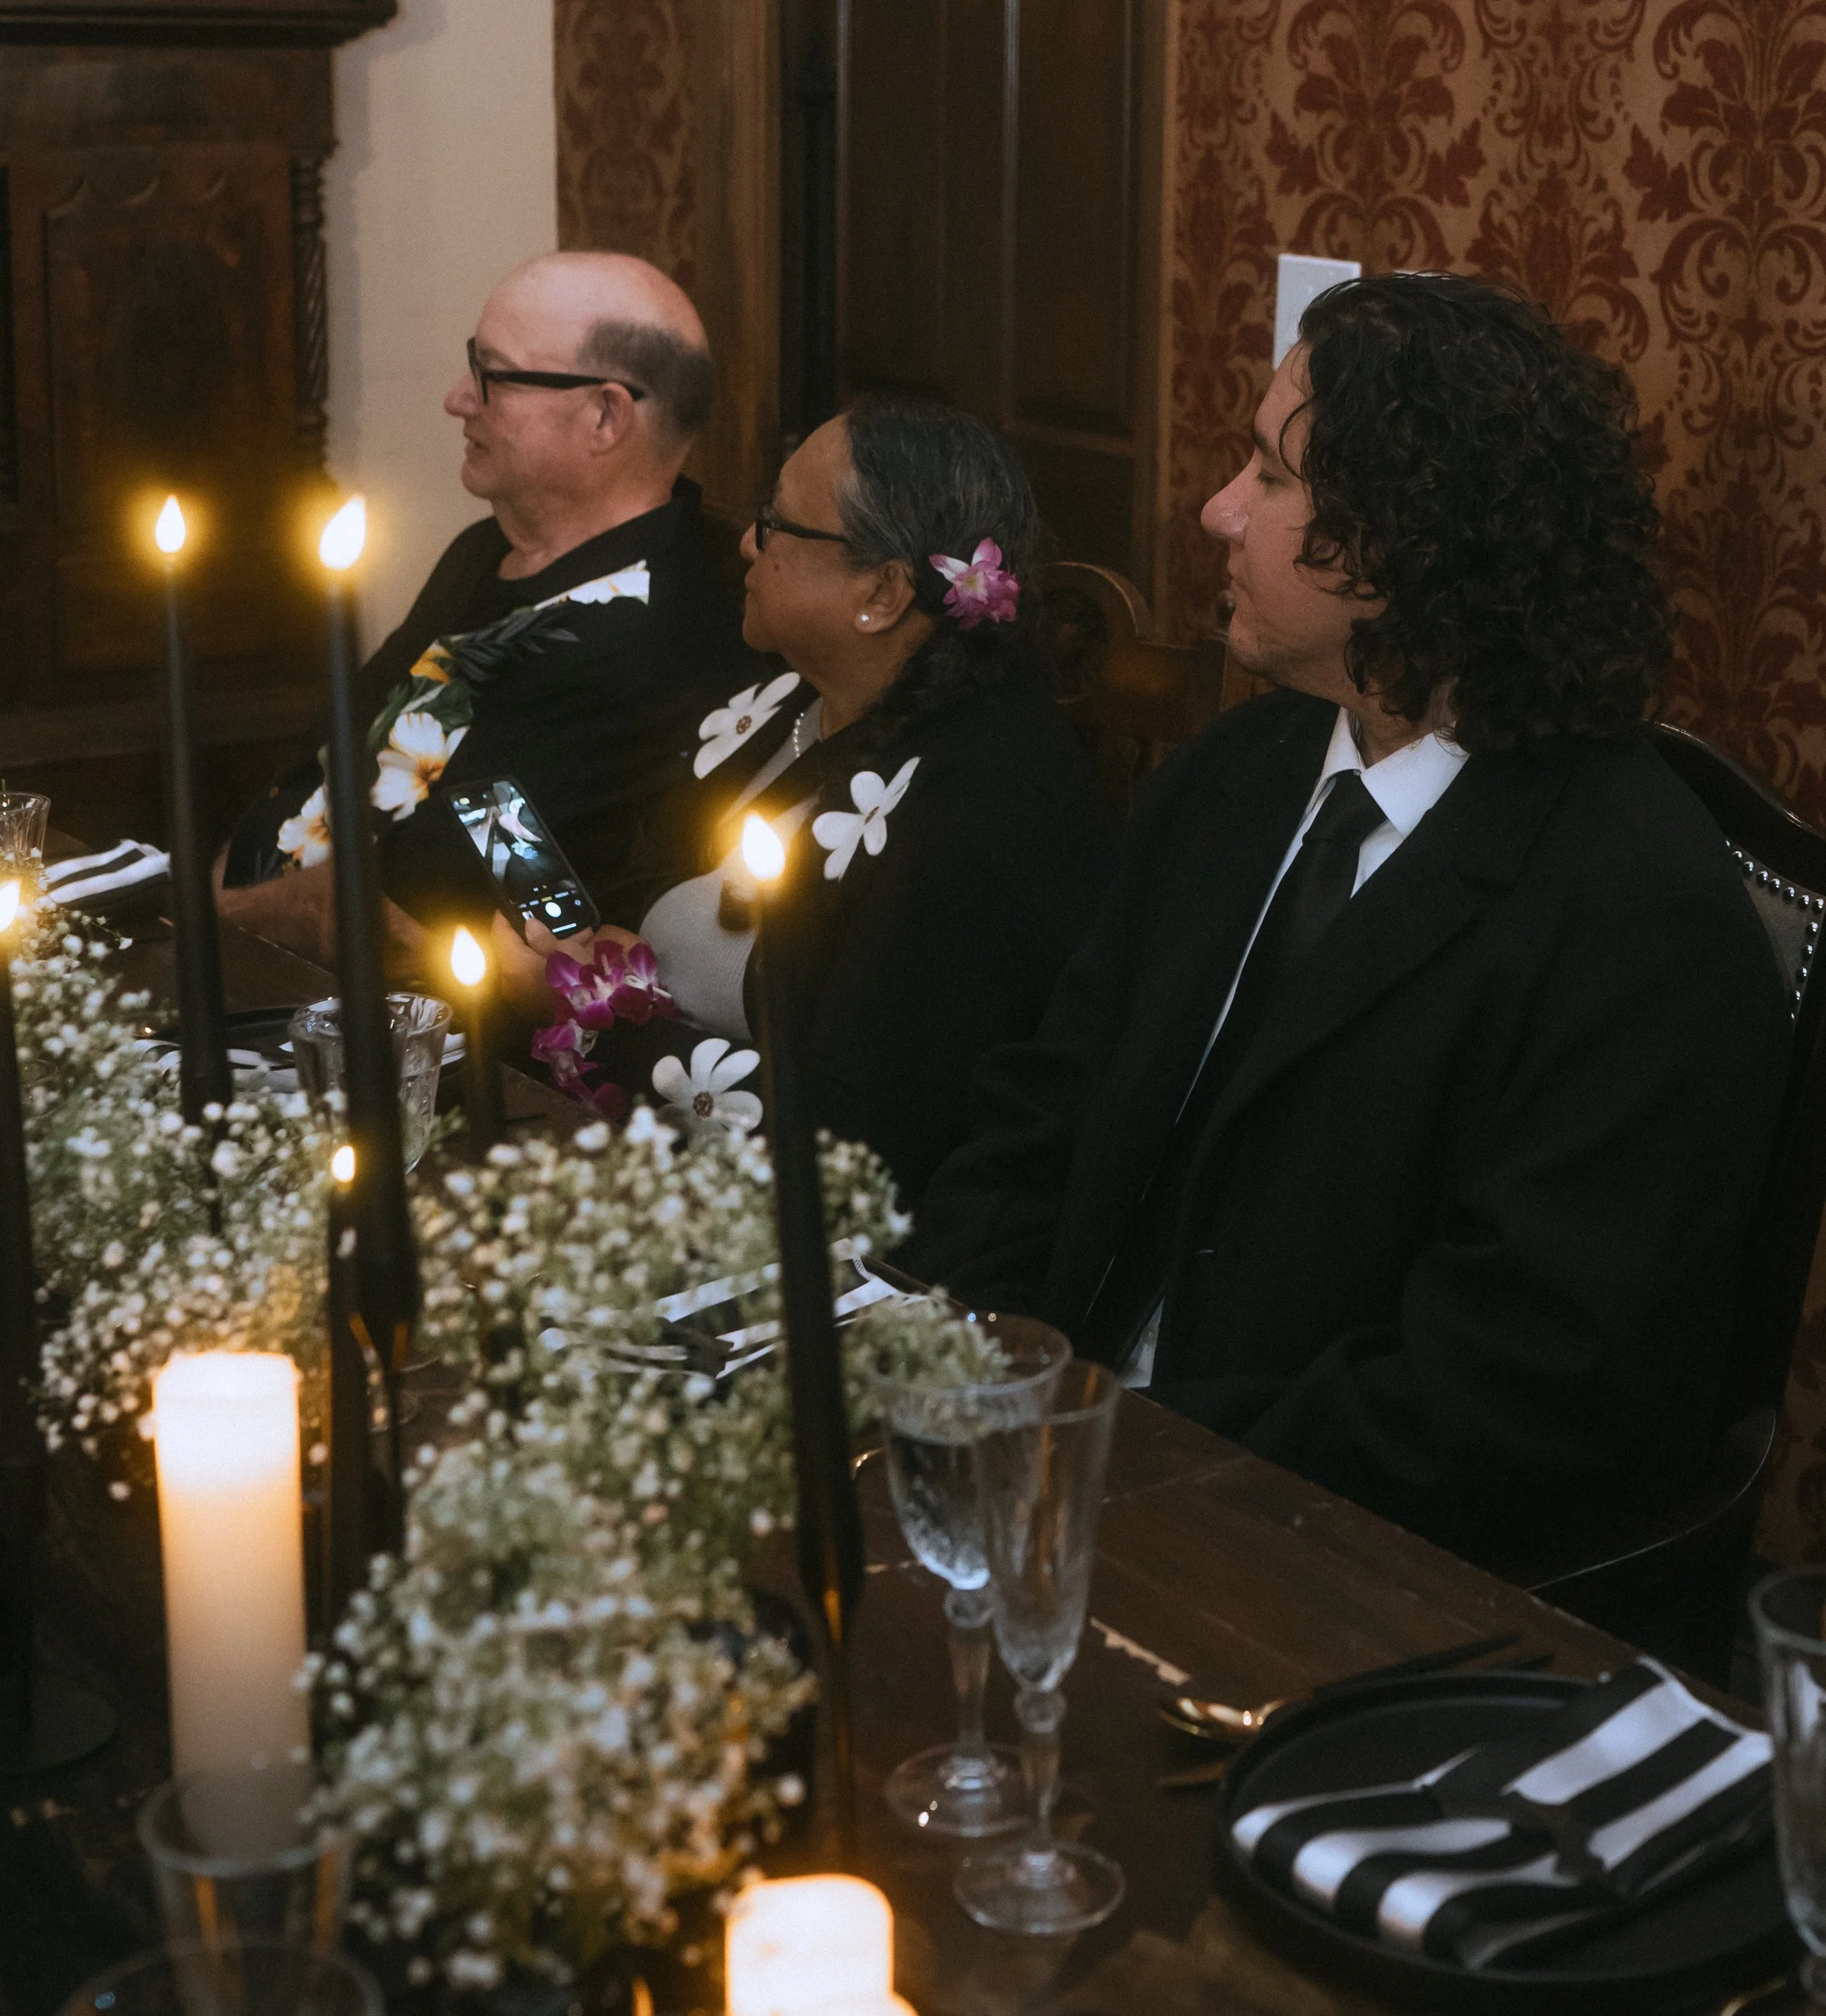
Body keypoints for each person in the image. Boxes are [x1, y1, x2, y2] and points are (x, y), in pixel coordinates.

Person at [904, 272, 1791, 1566]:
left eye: (1269, 476)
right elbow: (1045, 1116)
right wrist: (927, 1360)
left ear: (1401, 541)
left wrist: (1112, 1456)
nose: (1218, 509)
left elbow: (1514, 1396)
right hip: (1055, 1483)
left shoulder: (1639, 921)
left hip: (1324, 1556)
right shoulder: (1233, 777)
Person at [492, 393, 1116, 1205]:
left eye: (778, 524)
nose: (748, 541)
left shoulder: (986, 807)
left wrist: (582, 1021)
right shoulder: (785, 701)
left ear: (884, 592)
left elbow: (852, 1147)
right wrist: (596, 960)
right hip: (658, 1179)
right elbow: (648, 882)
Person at [218, 253, 752, 963]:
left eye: (491, 375)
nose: (458, 399)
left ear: (604, 416)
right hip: (252, 947)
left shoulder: (663, 623)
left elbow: (434, 887)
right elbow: (326, 767)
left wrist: (214, 916)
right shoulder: (482, 549)